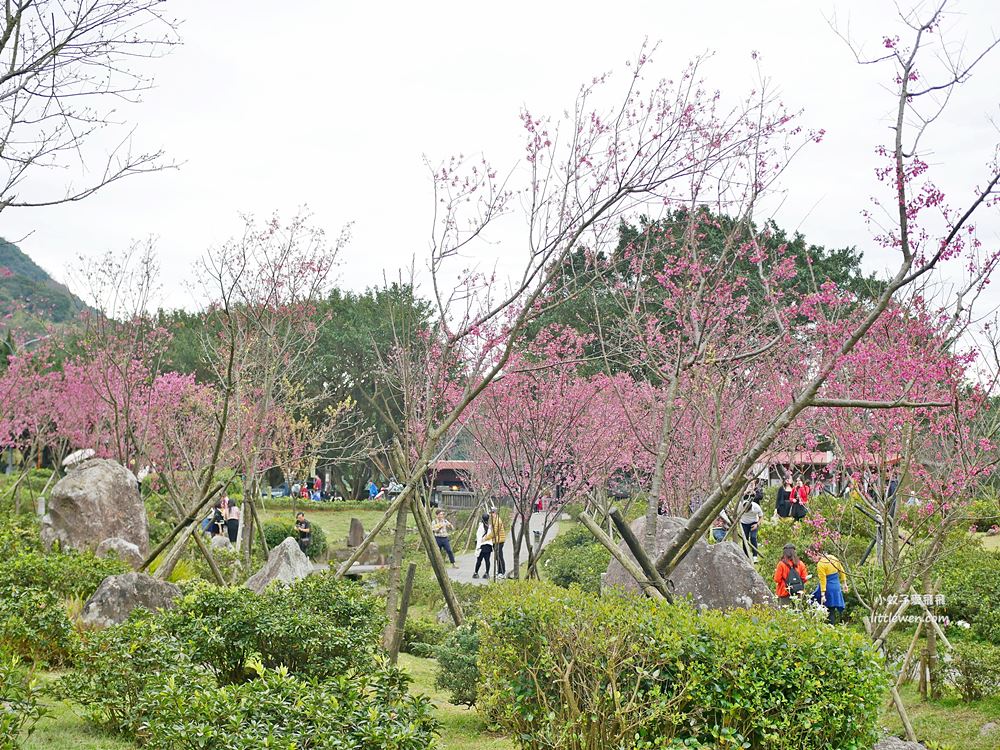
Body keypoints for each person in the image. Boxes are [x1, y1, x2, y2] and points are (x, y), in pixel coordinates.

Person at [812, 551, 848, 624]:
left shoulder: (821, 564)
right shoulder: (833, 558)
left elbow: (823, 580)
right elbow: (842, 571)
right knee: (832, 609)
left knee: (814, 601)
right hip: (836, 587)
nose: (812, 559)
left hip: (828, 588)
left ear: (816, 554)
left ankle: (825, 626)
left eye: (812, 556)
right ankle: (836, 624)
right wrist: (844, 584)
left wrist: (823, 594)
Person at [740, 489, 763, 561]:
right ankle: (745, 555)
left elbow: (761, 516)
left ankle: (755, 556)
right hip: (744, 523)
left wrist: (757, 524)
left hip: (753, 522)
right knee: (745, 539)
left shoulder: (756, 507)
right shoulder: (740, 506)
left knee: (753, 538)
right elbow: (736, 516)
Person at [473, 513, 493, 579]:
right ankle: (487, 573)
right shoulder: (490, 527)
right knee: (487, 560)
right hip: (488, 546)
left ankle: (476, 573)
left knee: (479, 560)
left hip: (482, 546)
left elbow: (478, 538)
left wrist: (477, 547)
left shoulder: (480, 527)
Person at [489, 509, 507, 578]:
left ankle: (502, 572)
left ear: (495, 513)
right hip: (496, 540)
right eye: (491, 513)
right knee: (497, 556)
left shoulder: (497, 520)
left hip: (499, 540)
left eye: (492, 513)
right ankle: (499, 571)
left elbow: (495, 531)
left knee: (499, 556)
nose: (491, 514)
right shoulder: (494, 519)